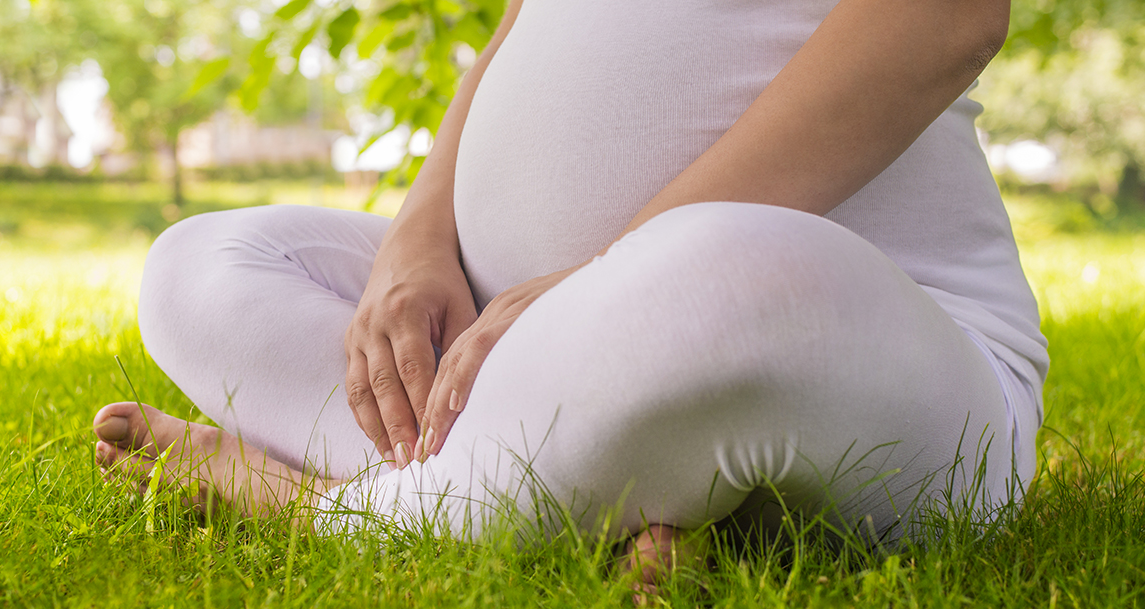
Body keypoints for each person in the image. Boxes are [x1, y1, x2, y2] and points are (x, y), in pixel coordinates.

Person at [92, 0, 1047, 576]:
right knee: (201, 265)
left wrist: (607, 268)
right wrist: (416, 245)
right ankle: (592, 489)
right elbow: (520, 29)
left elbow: (948, 16)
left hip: (860, 333)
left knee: (731, 277)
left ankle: (330, 510)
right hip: (522, 333)